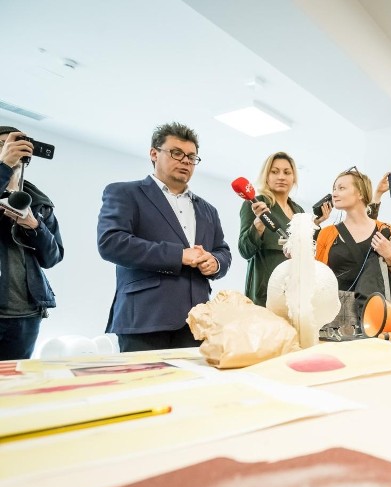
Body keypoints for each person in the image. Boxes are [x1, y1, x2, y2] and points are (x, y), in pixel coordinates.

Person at [97, 122, 231, 352]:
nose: (186, 161)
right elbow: (111, 243)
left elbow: (222, 250)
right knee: (146, 387)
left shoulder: (209, 210)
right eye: (176, 153)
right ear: (154, 153)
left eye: (191, 156)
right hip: (145, 319)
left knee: (194, 387)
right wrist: (179, 255)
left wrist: (215, 262)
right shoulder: (124, 193)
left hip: (197, 322)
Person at [315, 167, 391, 318]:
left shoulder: (386, 230)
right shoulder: (327, 233)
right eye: (334, 189)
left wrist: (390, 257)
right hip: (337, 317)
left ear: (361, 193)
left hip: (377, 315)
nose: (334, 193)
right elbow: (318, 278)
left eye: (341, 188)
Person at [0, 127, 64, 360]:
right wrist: (3, 167)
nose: (11, 149)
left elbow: (53, 257)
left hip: (26, 315)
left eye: (17, 143)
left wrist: (34, 226)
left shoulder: (39, 202)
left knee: (14, 388)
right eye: (3, 144)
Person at [237, 151, 330, 307]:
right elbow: (244, 250)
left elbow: (306, 250)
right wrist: (259, 223)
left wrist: (316, 223)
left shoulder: (298, 210)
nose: (281, 177)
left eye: (287, 172)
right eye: (274, 172)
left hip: (294, 293)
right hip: (265, 293)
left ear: (293, 178)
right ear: (266, 176)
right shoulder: (255, 203)